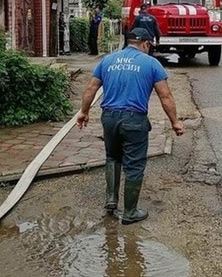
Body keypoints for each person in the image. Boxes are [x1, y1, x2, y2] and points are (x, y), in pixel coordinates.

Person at [76, 28, 185, 225]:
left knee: (113, 156)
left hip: (109, 118)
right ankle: (130, 212)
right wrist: (174, 122)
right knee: (134, 164)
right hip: (134, 120)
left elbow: (91, 87)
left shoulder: (108, 61)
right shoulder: (151, 64)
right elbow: (165, 96)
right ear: (145, 43)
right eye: (149, 45)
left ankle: (111, 199)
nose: (149, 49)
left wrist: (84, 112)